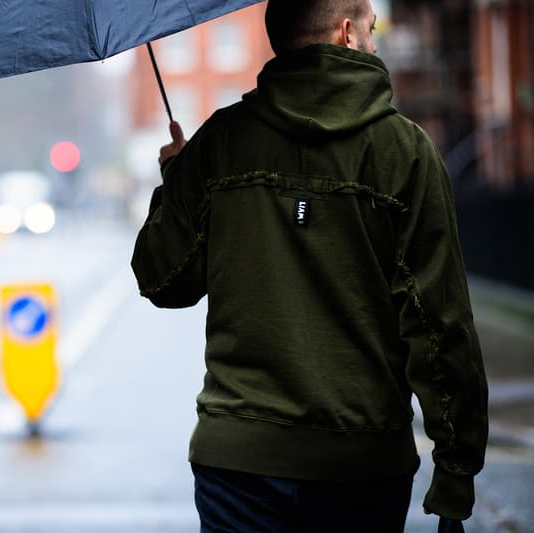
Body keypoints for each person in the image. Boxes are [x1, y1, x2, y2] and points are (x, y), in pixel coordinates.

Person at [130, 1, 488, 531]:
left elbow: (162, 279)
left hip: (239, 464)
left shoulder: (221, 142)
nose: (375, 41)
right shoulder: (405, 152)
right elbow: (439, 322)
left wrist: (177, 183)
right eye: (371, 29)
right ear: (346, 34)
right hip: (361, 465)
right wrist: (456, 468)